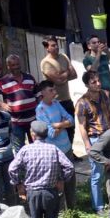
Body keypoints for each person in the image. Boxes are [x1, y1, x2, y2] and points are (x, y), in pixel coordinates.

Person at [8, 120, 73, 218]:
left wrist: (18, 184)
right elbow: (69, 167)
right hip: (50, 192)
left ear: (32, 134)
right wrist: (61, 180)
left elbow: (12, 169)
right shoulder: (53, 149)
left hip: (33, 193)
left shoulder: (26, 150)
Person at [74, 69, 110, 214]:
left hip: (109, 135)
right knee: (97, 174)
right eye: (94, 82)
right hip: (95, 138)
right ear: (87, 84)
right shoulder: (82, 102)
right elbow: (81, 126)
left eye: (98, 81)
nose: (98, 84)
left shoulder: (104, 95)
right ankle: (98, 206)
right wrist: (87, 144)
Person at [34, 82, 78, 210]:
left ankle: (73, 208)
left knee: (70, 179)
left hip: (67, 148)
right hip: (54, 151)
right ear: (43, 93)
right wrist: (63, 125)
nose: (54, 92)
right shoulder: (40, 109)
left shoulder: (57, 104)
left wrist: (56, 125)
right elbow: (50, 133)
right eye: (51, 90)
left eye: (54, 89)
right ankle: (61, 213)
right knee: (58, 182)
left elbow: (71, 120)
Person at [0, 54, 38, 146]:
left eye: (17, 64)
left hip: (33, 119)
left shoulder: (29, 77)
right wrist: (2, 104)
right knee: (19, 147)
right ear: (8, 66)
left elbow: (38, 93)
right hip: (16, 122)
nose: (16, 67)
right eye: (13, 65)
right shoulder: (3, 81)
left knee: (36, 145)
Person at [39, 36, 77, 113]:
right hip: (55, 101)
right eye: (53, 45)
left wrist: (61, 75)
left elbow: (74, 75)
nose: (56, 47)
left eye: (56, 45)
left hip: (67, 99)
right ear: (47, 48)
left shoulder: (64, 56)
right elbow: (58, 81)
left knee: (72, 123)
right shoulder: (46, 62)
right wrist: (67, 71)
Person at [83, 36, 110, 103]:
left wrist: (107, 52)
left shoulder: (104, 57)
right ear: (89, 46)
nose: (97, 44)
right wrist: (99, 54)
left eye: (98, 42)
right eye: (94, 43)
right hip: (98, 92)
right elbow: (92, 70)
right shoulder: (87, 60)